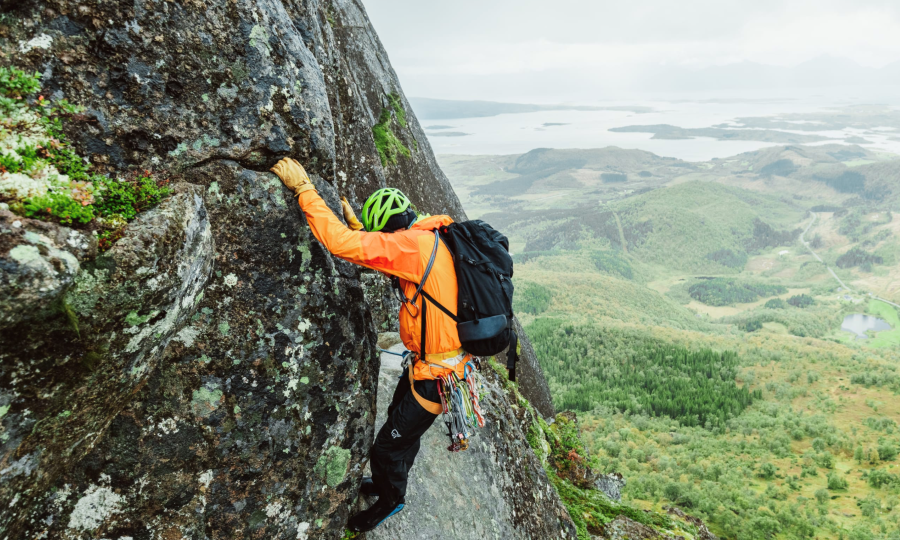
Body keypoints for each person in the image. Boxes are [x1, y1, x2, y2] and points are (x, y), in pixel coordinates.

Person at [270, 158, 469, 533]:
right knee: (401, 428)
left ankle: (391, 500)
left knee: (386, 447)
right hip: (432, 367)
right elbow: (390, 257)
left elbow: (341, 245)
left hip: (435, 376)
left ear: (391, 231)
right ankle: (384, 483)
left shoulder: (411, 247)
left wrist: (304, 189)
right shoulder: (430, 237)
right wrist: (362, 228)